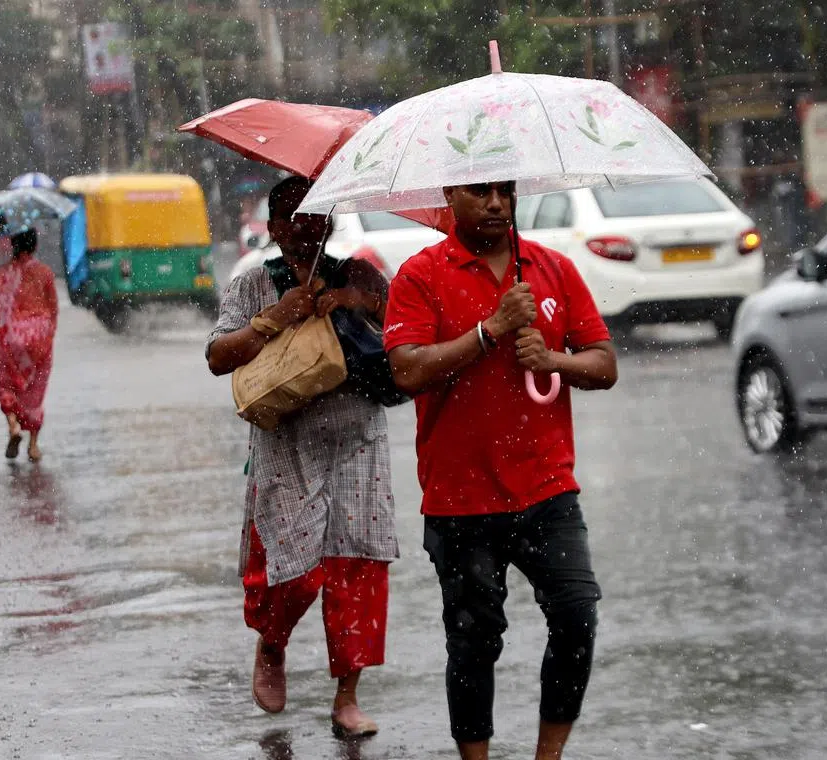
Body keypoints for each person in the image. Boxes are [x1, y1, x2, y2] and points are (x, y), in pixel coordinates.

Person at [383, 181, 618, 760]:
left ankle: (549, 755)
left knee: (576, 615)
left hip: (547, 488)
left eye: (503, 192)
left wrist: (553, 359)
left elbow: (605, 363)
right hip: (460, 498)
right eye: (479, 192)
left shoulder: (552, 268)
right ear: (450, 198)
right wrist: (489, 332)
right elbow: (407, 371)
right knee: (473, 642)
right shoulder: (419, 275)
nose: (494, 203)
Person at [205, 176, 398, 738]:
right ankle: (273, 641)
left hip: (359, 439)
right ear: (273, 227)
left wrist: (359, 301)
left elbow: (405, 335)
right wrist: (276, 319)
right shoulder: (251, 284)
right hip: (286, 444)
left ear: (330, 220)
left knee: (358, 562)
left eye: (313, 213)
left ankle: (347, 696)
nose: (301, 225)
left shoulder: (359, 273)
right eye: (288, 216)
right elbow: (218, 357)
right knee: (295, 571)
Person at [0, 229, 58, 462]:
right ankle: (34, 446)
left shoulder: (3, 273)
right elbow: (53, 307)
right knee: (34, 393)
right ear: (35, 246)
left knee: (7, 386)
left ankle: (13, 427)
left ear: (13, 246)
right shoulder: (45, 273)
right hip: (39, 339)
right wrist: (47, 333)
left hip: (11, 339)